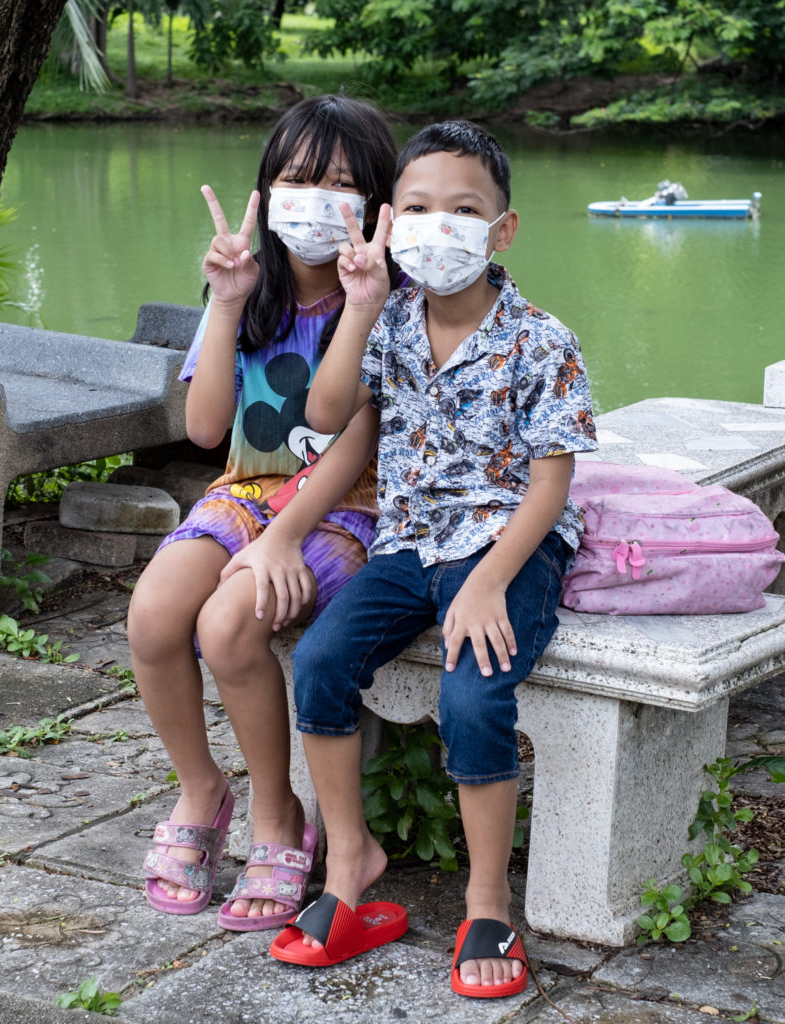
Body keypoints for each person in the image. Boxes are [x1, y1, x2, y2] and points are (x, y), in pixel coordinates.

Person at [269, 121, 598, 996]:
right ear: (388, 218)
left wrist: (490, 581)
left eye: (463, 208)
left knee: (472, 691)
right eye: (417, 207)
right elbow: (335, 414)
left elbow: (551, 486)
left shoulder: (542, 340)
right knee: (323, 662)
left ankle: (487, 901)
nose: (437, 224)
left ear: (504, 228)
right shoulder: (390, 321)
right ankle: (350, 865)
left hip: (508, 545)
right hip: (409, 543)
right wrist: (364, 305)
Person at [127, 94, 397, 931]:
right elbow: (207, 428)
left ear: (375, 205)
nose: (315, 200)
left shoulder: (388, 299)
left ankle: (279, 816)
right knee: (152, 614)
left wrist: (283, 539)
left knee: (229, 625)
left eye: (340, 185)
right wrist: (228, 300)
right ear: (267, 190)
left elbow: (343, 433)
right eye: (296, 179)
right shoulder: (250, 286)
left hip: (341, 509)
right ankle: (204, 789)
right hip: (244, 489)